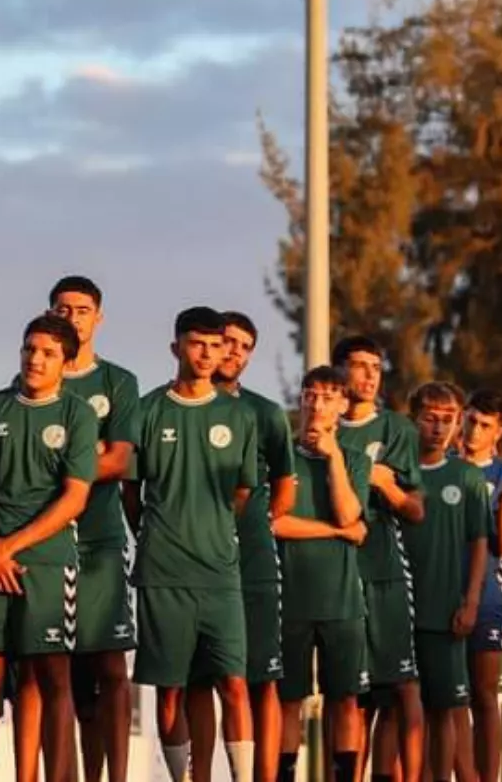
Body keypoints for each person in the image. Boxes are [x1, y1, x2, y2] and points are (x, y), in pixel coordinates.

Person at [118, 307, 263, 782]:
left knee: (235, 683)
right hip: (163, 574)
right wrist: (160, 535)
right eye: (196, 344)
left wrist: (211, 528)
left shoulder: (239, 415)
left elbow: (242, 491)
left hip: (220, 572)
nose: (207, 354)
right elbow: (131, 492)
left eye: (215, 345)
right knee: (171, 689)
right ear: (176, 347)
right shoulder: (147, 409)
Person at [0, 314, 96, 782]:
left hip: (47, 561)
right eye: (29, 349)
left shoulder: (77, 414)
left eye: (48, 353)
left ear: (66, 362)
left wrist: (10, 548)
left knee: (50, 678)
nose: (35, 359)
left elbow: (75, 496)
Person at [177, 311, 296, 782]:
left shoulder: (265, 414)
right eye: (227, 341)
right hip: (193, 561)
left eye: (245, 346)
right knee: (198, 679)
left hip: (253, 562)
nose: (233, 352)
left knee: (259, 679)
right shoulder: (178, 406)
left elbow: (286, 485)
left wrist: (259, 524)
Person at [46, 276, 141, 782]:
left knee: (109, 668)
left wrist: (55, 467)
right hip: (45, 544)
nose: (71, 318)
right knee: (61, 675)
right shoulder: (37, 379)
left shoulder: (117, 383)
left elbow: (121, 459)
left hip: (101, 541)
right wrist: (87, 460)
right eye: (62, 309)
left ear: (97, 318)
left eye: (81, 310)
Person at [331, 335, 423, 782]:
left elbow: (415, 508)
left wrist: (385, 484)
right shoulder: (320, 429)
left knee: (395, 690)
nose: (369, 376)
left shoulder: (397, 430)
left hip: (383, 573)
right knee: (348, 694)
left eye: (376, 367)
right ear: (339, 371)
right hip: (335, 576)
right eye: (359, 365)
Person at [274, 369, 371, 782]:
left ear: (342, 406)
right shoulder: (281, 455)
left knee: (344, 699)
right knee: (288, 700)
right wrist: (335, 532)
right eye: (310, 396)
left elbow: (352, 513)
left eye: (328, 397)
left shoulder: (355, 459)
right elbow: (275, 522)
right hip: (290, 599)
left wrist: (332, 457)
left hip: (342, 601)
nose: (316, 405)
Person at [400, 384, 490, 782]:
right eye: (430, 418)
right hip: (397, 611)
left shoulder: (467, 477)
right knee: (398, 710)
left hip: (444, 610)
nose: (438, 428)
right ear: (413, 420)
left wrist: (471, 601)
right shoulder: (396, 471)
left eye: (447, 420)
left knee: (444, 711)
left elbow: (479, 543)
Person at [455, 392, 502, 782]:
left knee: (484, 695)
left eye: (485, 425)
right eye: (471, 421)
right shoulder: (443, 467)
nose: (475, 431)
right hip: (440, 595)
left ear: (499, 431)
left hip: (487, 602)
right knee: (449, 698)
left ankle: (489, 777)